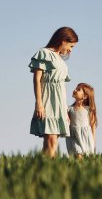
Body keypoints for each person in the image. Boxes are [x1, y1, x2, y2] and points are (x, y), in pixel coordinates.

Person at [28, 27, 78, 158]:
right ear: (63, 40)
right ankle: (49, 169)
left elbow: (62, 86)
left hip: (59, 102)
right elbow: (37, 79)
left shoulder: (60, 60)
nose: (70, 50)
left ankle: (45, 168)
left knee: (53, 139)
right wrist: (38, 103)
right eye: (71, 46)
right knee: (50, 138)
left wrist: (65, 109)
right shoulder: (43, 53)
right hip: (47, 100)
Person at [66, 83, 98, 159]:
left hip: (86, 138)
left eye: (78, 89)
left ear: (84, 96)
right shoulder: (69, 109)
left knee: (87, 159)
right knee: (78, 156)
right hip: (74, 137)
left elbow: (92, 126)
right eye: (76, 88)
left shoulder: (88, 110)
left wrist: (93, 143)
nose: (75, 90)